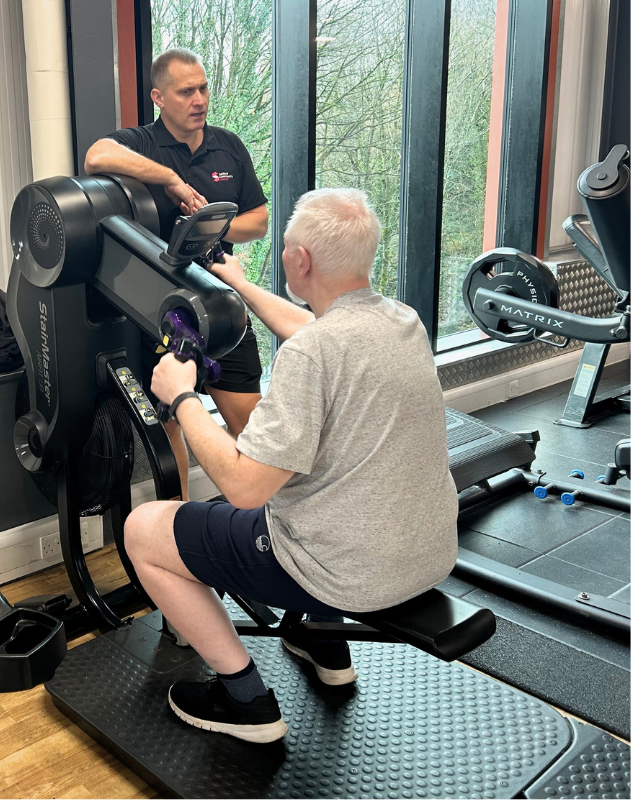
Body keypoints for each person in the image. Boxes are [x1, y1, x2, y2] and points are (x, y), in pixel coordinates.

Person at [123, 187, 459, 744]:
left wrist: (182, 396)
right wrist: (241, 284)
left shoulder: (310, 356)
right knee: (320, 491)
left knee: (145, 530)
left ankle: (245, 700)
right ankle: (323, 640)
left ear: (300, 261)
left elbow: (243, 487)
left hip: (343, 573)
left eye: (284, 249)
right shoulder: (403, 322)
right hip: (428, 555)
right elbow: (317, 334)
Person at [84, 48, 268, 500]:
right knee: (171, 424)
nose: (200, 99)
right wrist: (169, 178)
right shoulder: (142, 143)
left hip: (222, 301)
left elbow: (259, 221)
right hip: (160, 310)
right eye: (186, 91)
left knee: (251, 420)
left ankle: (267, 520)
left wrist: (214, 224)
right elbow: (95, 156)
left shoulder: (228, 145)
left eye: (203, 88)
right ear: (159, 97)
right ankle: (181, 521)